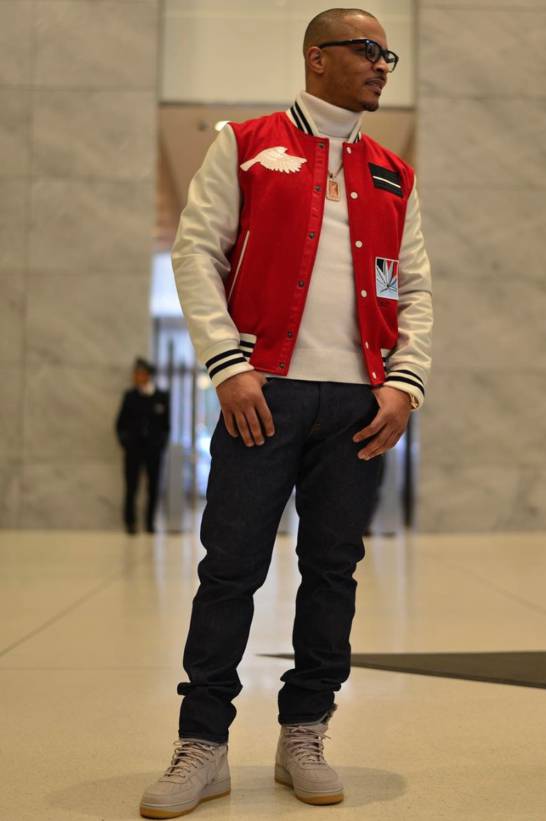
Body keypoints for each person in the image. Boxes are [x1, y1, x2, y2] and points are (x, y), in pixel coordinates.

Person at [139, 7, 432, 817]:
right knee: (231, 567)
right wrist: (228, 365)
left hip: (359, 405)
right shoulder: (245, 143)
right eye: (367, 50)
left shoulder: (394, 172)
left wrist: (405, 383)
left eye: (389, 55)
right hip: (262, 395)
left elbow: (414, 287)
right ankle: (203, 743)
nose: (382, 65)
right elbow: (196, 252)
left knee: (332, 570)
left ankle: (305, 730)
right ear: (317, 57)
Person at [115, 358, 170, 535]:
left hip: (154, 451)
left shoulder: (161, 397)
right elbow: (120, 424)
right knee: (131, 486)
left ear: (148, 375)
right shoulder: (130, 396)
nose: (137, 377)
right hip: (134, 450)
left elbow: (166, 426)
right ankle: (130, 522)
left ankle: (150, 523)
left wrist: (160, 444)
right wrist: (126, 443)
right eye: (136, 374)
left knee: (153, 487)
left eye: (140, 373)